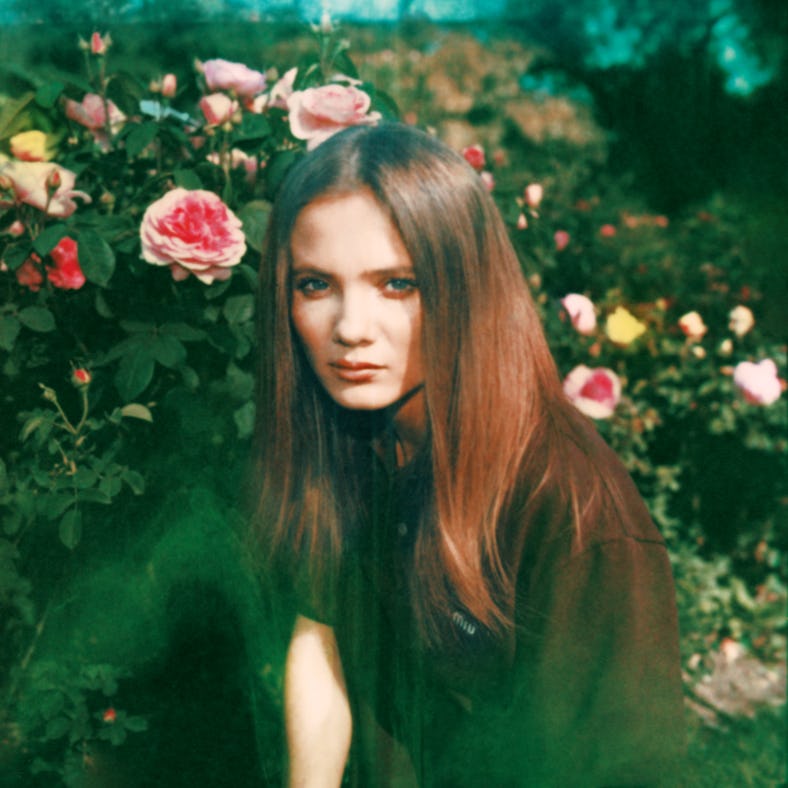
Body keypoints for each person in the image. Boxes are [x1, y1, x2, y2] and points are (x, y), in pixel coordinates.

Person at [252, 122, 685, 787]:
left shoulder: (574, 514)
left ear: (465, 284)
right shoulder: (346, 431)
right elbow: (321, 636)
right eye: (315, 285)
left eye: (397, 283)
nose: (351, 328)